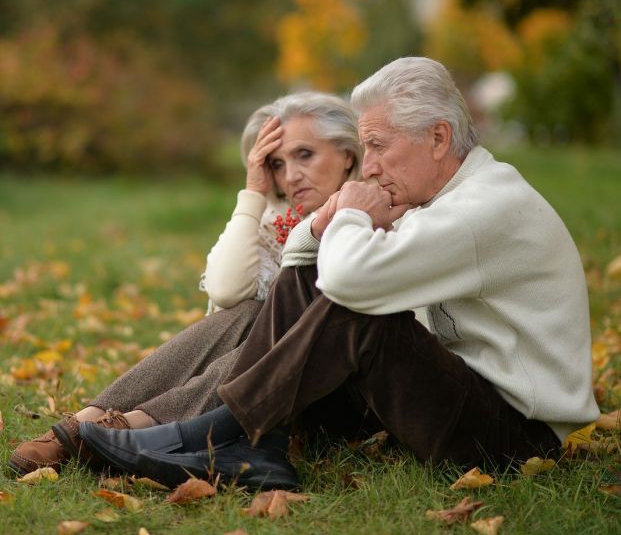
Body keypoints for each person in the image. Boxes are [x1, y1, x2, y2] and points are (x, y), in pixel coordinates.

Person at [73, 57, 600, 492]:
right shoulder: (445, 197)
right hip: (459, 395)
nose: (368, 166)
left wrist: (345, 210)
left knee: (358, 308)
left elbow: (348, 283)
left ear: (438, 138)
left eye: (377, 145)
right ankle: (248, 443)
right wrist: (326, 220)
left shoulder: (483, 209)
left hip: (512, 438)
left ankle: (215, 437)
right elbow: (309, 269)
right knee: (302, 284)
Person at [8, 91, 362, 476]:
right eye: (277, 164)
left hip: (338, 393)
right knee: (247, 310)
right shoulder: (280, 220)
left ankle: (135, 428)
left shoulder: (377, 213)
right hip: (271, 395)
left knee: (277, 311)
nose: (290, 176)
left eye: (305, 155)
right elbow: (226, 291)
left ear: (347, 155)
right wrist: (254, 193)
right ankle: (86, 423)